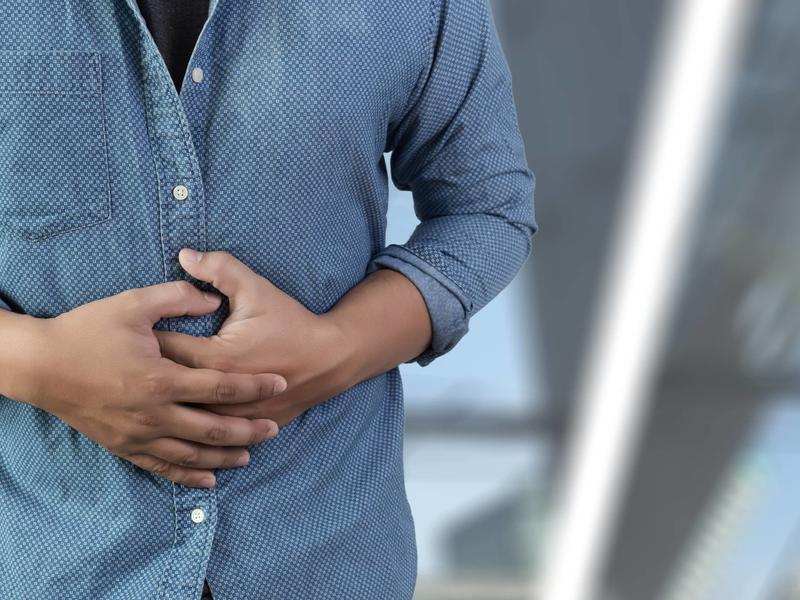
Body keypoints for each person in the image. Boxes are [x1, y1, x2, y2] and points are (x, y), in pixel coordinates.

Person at [0, 0, 537, 598]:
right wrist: (34, 361)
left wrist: (339, 348)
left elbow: (487, 209)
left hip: (326, 559)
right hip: (43, 558)